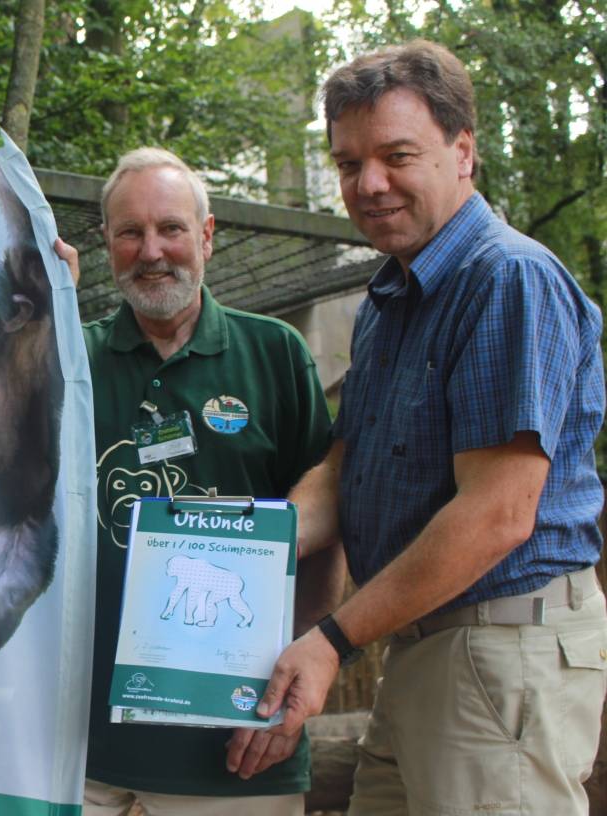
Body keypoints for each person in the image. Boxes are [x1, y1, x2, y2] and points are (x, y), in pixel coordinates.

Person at [254, 40, 607, 814]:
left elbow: (498, 515)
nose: (368, 184)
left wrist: (333, 639)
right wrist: (244, 539)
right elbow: (347, 473)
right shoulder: (391, 302)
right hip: (418, 644)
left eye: (396, 156)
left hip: (499, 648)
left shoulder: (506, 279)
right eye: (348, 164)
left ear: (463, 151)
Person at [55, 147, 343, 815]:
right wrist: (40, 321)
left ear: (206, 236)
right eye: (130, 232)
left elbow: (328, 533)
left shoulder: (274, 353)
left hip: (234, 750)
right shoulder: (70, 357)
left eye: (171, 229)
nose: (151, 251)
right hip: (77, 745)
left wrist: (290, 696)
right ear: (107, 244)